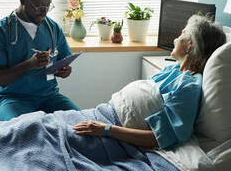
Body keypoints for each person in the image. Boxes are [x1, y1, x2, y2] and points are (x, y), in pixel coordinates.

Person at [73, 14, 226, 149]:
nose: (176, 39)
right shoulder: (173, 70)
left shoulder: (188, 87)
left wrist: (106, 129)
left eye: (182, 34)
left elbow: (162, 137)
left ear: (190, 44)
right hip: (103, 114)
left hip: (111, 131)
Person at [0, 0, 80, 121]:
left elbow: (62, 63)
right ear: (22, 0)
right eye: (39, 6)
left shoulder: (53, 28)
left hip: (49, 97)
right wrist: (30, 64)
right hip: (13, 99)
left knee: (81, 122)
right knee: (26, 132)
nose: (44, 11)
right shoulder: (1, 31)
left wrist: (64, 72)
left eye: (48, 6)